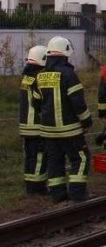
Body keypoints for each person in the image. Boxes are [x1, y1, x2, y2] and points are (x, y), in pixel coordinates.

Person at [34, 36, 92, 202]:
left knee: (54, 162)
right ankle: (77, 194)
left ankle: (58, 195)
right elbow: (78, 102)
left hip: (48, 131)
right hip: (70, 130)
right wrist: (87, 121)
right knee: (81, 159)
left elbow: (35, 102)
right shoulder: (68, 74)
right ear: (65, 53)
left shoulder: (41, 75)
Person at [19, 45, 48, 195]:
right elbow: (40, 100)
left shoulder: (26, 76)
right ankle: (37, 187)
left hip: (25, 124)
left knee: (30, 156)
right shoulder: (38, 77)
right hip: (36, 124)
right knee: (39, 156)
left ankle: (30, 184)